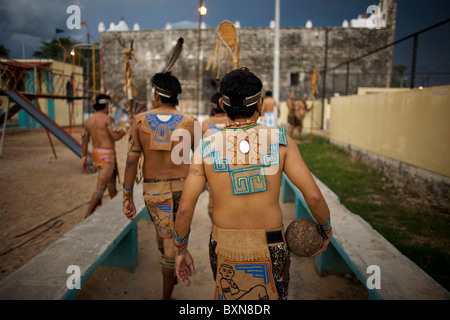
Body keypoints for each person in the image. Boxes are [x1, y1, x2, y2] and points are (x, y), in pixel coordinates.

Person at [174, 68, 332, 300]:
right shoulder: (281, 142)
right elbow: (314, 197)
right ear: (259, 104)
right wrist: (326, 230)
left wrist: (181, 249)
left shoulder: (205, 149)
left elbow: (186, 208)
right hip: (272, 245)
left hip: (224, 244)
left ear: (222, 103)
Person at [122, 71, 196, 300]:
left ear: (156, 94)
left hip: (155, 192)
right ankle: (174, 265)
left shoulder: (140, 121)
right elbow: (202, 160)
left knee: (167, 241)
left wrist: (127, 196)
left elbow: (132, 160)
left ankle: (166, 296)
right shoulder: (190, 122)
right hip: (184, 190)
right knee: (173, 240)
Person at [81, 94, 128, 220]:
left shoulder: (88, 121)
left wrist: (84, 158)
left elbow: (84, 141)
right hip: (107, 156)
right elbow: (115, 137)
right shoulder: (108, 119)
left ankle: (120, 212)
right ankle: (86, 217)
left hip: (96, 155)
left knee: (111, 185)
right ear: (106, 105)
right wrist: (126, 129)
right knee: (100, 188)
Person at [202, 92, 228, 221]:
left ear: (212, 108)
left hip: (213, 168)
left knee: (213, 199)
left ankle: (215, 227)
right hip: (233, 168)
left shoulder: (205, 124)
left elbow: (201, 151)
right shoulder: (234, 122)